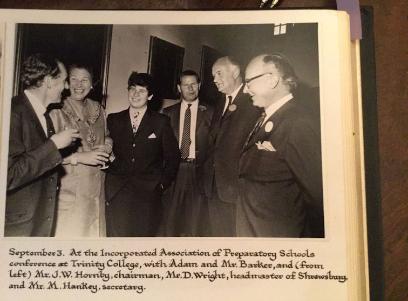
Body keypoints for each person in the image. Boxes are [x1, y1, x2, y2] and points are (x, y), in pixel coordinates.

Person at [239, 53, 324, 237]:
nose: (245, 90)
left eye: (249, 82)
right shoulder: (266, 116)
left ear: (271, 80)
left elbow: (319, 197)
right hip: (255, 232)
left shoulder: (298, 123)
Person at [6, 53, 80, 237]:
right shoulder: (12, 112)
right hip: (17, 225)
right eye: (64, 81)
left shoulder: (43, 114)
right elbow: (9, 175)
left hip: (38, 219)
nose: (67, 87)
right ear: (48, 81)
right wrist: (54, 144)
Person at [105, 72, 180, 237]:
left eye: (142, 91)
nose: (135, 94)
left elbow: (173, 156)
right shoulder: (113, 119)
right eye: (132, 89)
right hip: (118, 191)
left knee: (142, 241)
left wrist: (161, 185)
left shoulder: (161, 122)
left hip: (148, 193)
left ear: (150, 95)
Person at [50, 64, 111, 237]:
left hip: (96, 190)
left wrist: (107, 146)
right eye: (74, 79)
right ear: (67, 83)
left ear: (92, 85)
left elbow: (107, 135)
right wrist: (81, 157)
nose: (79, 84)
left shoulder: (99, 109)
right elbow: (44, 155)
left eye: (84, 80)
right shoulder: (57, 111)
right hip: (70, 190)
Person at [202, 56, 261, 236]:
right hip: (214, 185)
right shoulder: (221, 101)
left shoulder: (254, 101)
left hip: (236, 188)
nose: (214, 79)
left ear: (235, 72)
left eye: (219, 73)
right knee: (219, 234)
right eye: (213, 76)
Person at [161, 70, 213, 236]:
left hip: (199, 172)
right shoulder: (168, 113)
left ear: (199, 85)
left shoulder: (212, 112)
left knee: (195, 225)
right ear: (179, 87)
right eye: (185, 85)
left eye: (193, 84)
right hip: (174, 171)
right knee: (170, 222)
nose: (190, 88)